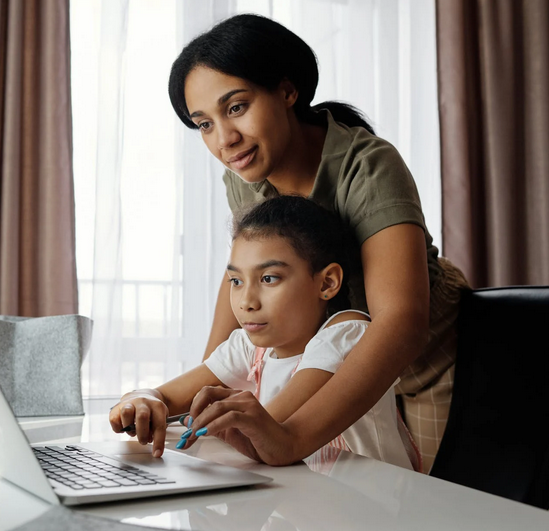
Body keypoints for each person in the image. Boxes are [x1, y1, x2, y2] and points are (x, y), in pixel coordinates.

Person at [162, 13, 470, 470]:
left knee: (433, 505)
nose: (224, 140)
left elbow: (401, 322)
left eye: (236, 107)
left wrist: (292, 437)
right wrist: (206, 397)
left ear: (288, 91)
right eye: (203, 123)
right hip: (331, 358)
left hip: (423, 358)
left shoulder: (367, 165)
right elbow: (242, 279)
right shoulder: (245, 174)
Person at [110, 196, 414, 470]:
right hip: (305, 503)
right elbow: (165, 395)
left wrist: (206, 416)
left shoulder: (348, 334)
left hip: (370, 507)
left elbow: (269, 432)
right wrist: (141, 400)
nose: (246, 302)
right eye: (236, 281)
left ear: (327, 283)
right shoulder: (250, 348)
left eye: (269, 278)